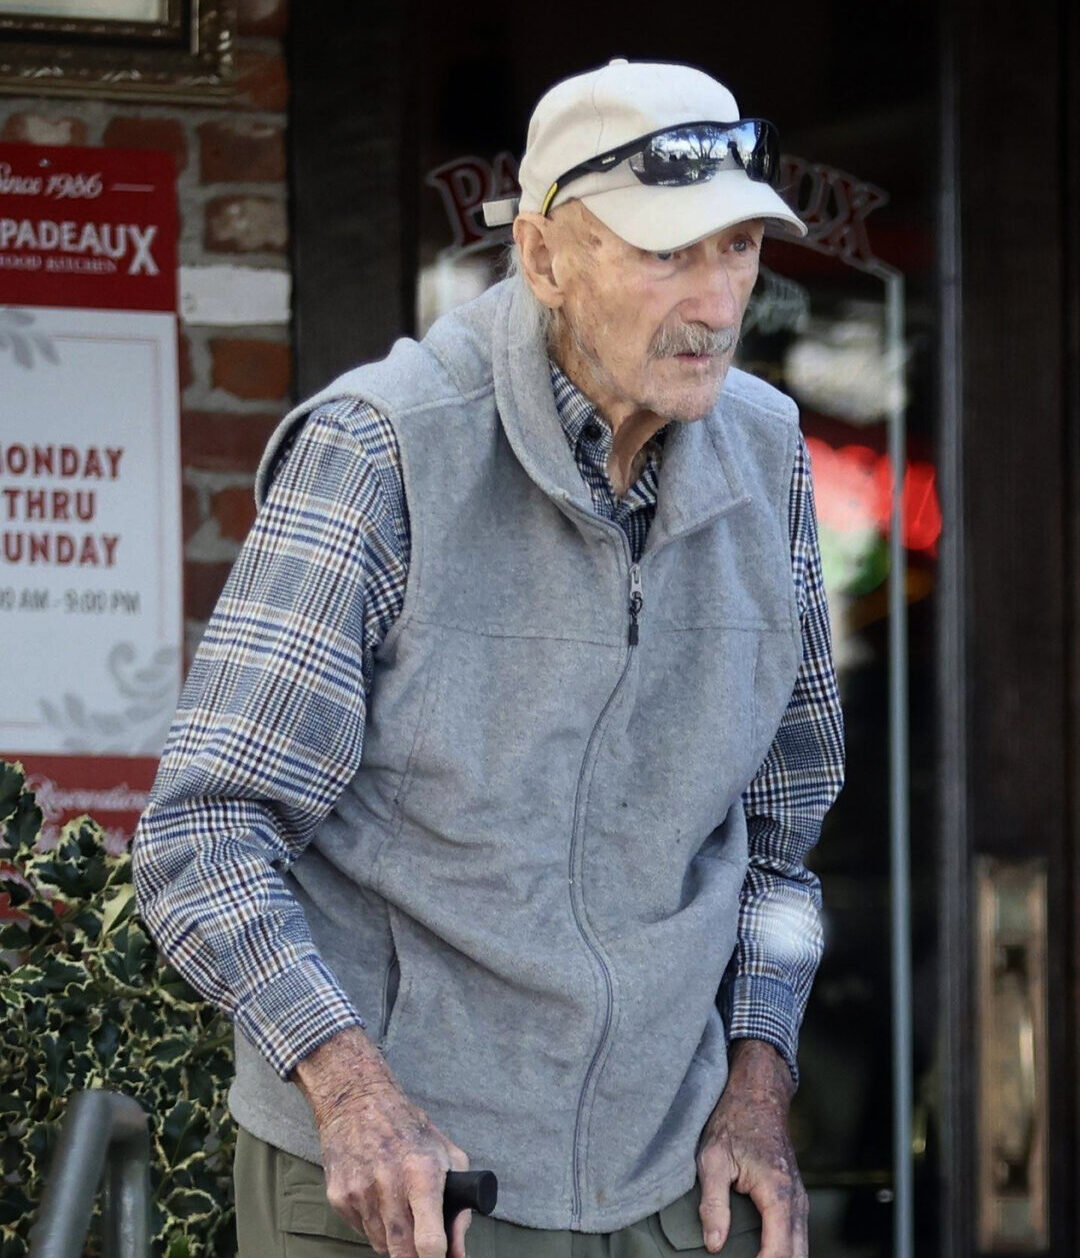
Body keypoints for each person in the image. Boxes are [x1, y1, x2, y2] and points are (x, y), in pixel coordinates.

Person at [132, 60, 843, 1258]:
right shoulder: (382, 451)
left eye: (739, 251)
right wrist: (354, 1096)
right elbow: (203, 837)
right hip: (400, 1183)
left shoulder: (767, 454)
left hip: (666, 1177)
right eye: (669, 254)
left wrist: (759, 1084)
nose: (719, 302)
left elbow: (783, 849)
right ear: (546, 255)